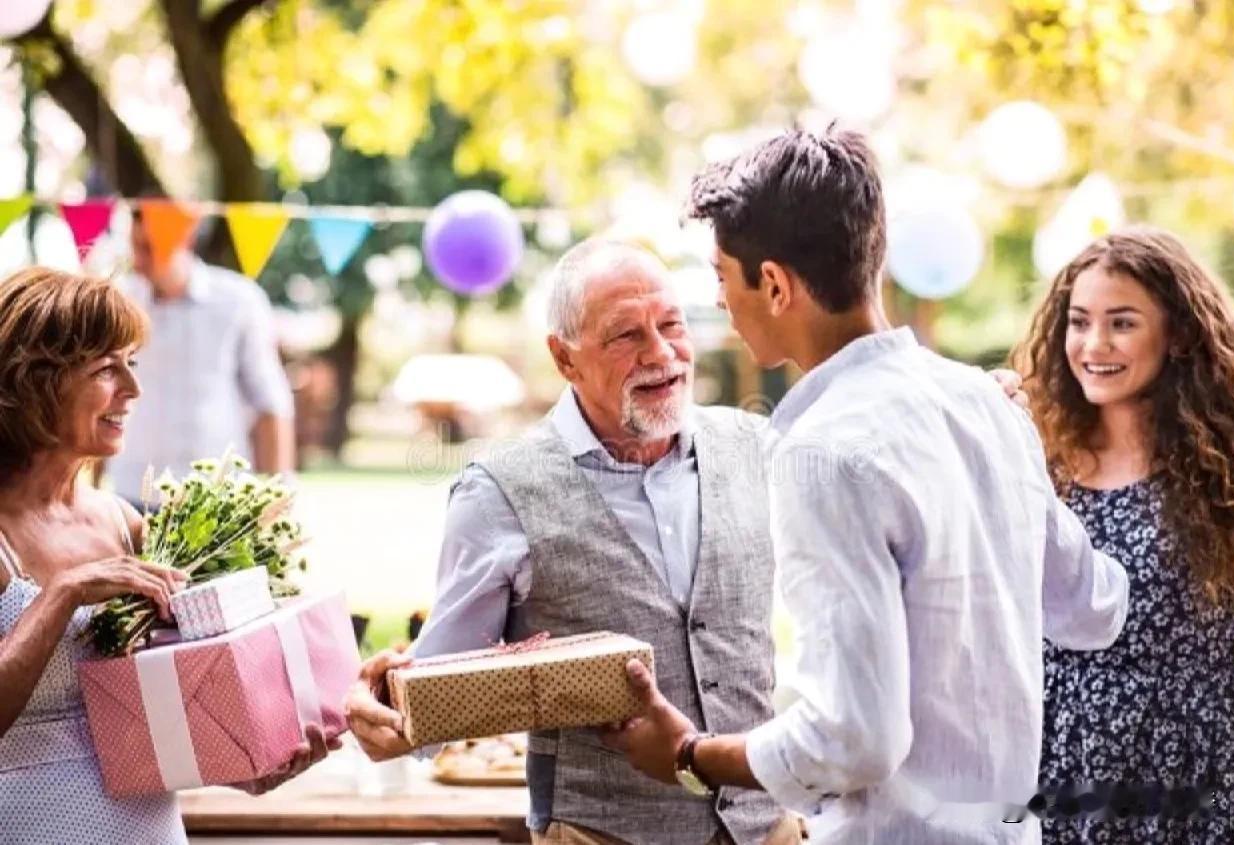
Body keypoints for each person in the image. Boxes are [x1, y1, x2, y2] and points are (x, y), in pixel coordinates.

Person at [603, 126, 1130, 845]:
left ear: (776, 285)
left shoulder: (824, 453)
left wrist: (691, 754)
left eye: (723, 276)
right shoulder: (984, 405)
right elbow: (1093, 605)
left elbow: (853, 737)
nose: (722, 302)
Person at [347, 238, 799, 845]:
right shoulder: (498, 494)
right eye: (625, 336)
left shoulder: (756, 448)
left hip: (766, 829)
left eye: (670, 324)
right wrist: (390, 704)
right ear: (564, 359)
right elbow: (435, 702)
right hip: (600, 834)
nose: (661, 353)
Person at [0, 267, 331, 844]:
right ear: (36, 382)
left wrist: (245, 761)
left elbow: (147, 720)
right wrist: (64, 593)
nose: (133, 388)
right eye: (107, 368)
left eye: (132, 362)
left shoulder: (124, 524)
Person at [1013, 226, 1234, 843]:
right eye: (1080, 321)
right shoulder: (1034, 458)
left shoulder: (1224, 467)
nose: (1094, 344)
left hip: (1189, 773)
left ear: (1179, 332)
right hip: (1058, 763)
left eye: (1122, 323)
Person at [102, 207, 295, 508]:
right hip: (130, 493)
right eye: (134, 247)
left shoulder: (239, 300)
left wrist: (277, 494)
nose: (137, 261)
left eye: (147, 248)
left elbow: (270, 402)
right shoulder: (118, 300)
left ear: (185, 238)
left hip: (216, 495)